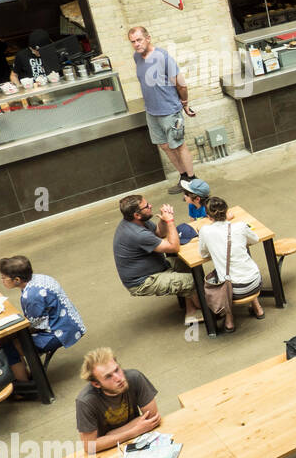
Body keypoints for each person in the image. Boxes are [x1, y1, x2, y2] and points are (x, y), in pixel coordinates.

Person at [129, 26, 197, 195]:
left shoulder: (163, 57)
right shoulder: (137, 57)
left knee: (179, 145)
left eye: (139, 40)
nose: (136, 44)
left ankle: (193, 184)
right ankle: (183, 179)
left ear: (148, 38)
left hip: (169, 110)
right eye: (133, 42)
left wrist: (185, 103)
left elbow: (181, 84)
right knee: (165, 146)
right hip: (152, 111)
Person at [112, 195, 200, 325]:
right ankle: (207, 310)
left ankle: (191, 311)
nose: (151, 206)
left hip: (157, 267)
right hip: (144, 280)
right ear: (137, 215)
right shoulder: (137, 234)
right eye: (146, 206)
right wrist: (170, 222)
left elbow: (159, 233)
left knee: (187, 264)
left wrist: (164, 220)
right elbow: (173, 247)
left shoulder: (140, 220)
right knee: (193, 281)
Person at [0, 255, 86, 383]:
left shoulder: (31, 296)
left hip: (57, 333)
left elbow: (37, 325)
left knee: (8, 347)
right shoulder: (41, 278)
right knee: (10, 338)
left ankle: (24, 385)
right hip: (70, 323)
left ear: (17, 279)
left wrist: (11, 333)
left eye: (3, 277)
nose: (2, 280)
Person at [196, 196, 265, 331]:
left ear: (209, 216)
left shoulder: (205, 231)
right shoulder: (240, 226)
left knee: (219, 274)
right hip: (255, 282)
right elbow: (255, 239)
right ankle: (258, 308)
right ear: (227, 211)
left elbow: (203, 254)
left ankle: (229, 320)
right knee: (243, 258)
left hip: (232, 291)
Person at [74, 347, 161, 454]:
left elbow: (153, 418)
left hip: (140, 439)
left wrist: (109, 435)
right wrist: (134, 431)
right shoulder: (85, 402)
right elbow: (90, 447)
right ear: (96, 384)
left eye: (117, 370)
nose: (119, 378)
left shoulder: (135, 377)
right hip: (108, 450)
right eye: (108, 376)